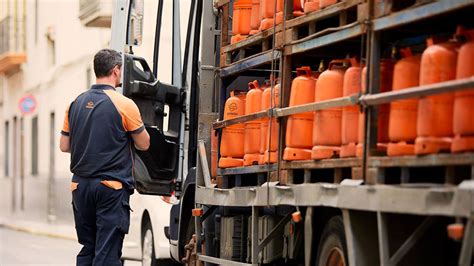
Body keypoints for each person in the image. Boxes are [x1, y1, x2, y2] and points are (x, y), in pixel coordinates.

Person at [59, 49, 150, 266]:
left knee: (88, 248)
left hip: (80, 187)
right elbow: (144, 144)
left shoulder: (75, 103)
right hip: (110, 188)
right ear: (116, 70)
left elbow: (64, 145)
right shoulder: (124, 104)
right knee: (107, 253)